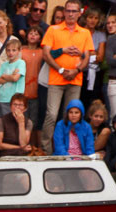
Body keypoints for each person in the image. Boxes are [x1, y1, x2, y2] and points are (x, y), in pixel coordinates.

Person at [40, 0, 92, 154]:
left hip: (75, 78)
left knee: (71, 116)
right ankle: (46, 150)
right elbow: (46, 54)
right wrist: (61, 70)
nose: (70, 14)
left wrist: (76, 70)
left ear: (79, 13)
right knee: (52, 114)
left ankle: (68, 150)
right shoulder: (53, 29)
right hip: (56, 78)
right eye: (68, 11)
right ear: (64, 12)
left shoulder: (85, 32)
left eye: (74, 11)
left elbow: (87, 57)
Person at [0, 36, 25, 117]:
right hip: (3, 98)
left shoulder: (21, 63)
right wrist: (10, 76)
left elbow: (15, 78)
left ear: (19, 51)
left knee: (15, 121)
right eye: (8, 50)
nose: (11, 53)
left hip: (16, 99)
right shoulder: (4, 65)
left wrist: (4, 76)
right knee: (4, 121)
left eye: (14, 50)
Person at [0, 91, 32, 156]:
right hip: (5, 154)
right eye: (15, 104)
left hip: (22, 155)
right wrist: (19, 148)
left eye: (20, 105)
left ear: (25, 108)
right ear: (10, 106)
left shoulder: (28, 122)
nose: (17, 107)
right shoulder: (1, 120)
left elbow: (24, 144)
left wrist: (21, 123)